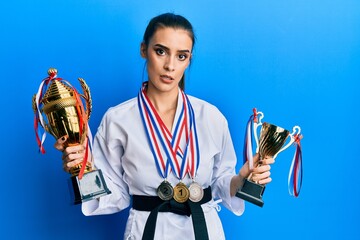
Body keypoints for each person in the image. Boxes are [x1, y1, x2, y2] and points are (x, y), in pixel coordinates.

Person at [55, 13, 274, 240]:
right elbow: (114, 195)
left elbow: (221, 183)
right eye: (161, 51)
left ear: (189, 60)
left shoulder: (211, 116)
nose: (170, 65)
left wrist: (243, 179)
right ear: (143, 50)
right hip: (147, 231)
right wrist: (82, 169)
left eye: (181, 56)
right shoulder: (118, 119)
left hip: (202, 230)